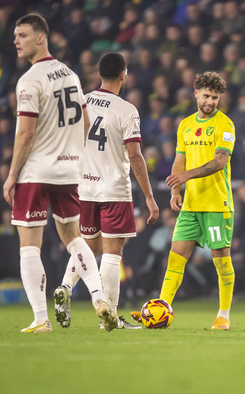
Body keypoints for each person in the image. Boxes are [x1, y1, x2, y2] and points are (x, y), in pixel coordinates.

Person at [2, 14, 117, 333]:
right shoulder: (70, 75)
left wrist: (12, 175)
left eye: (23, 35)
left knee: (29, 246)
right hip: (69, 171)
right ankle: (98, 296)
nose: (16, 41)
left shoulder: (29, 80)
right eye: (15, 35)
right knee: (74, 238)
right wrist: (79, 158)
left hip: (36, 171)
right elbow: (84, 119)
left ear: (41, 38)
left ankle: (41, 319)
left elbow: (25, 134)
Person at [53, 52, 159, 330]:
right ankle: (109, 317)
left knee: (89, 247)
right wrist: (148, 196)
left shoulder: (81, 102)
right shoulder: (126, 110)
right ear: (124, 75)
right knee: (113, 252)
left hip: (84, 188)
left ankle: (65, 286)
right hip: (113, 188)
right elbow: (135, 156)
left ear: (99, 74)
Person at [131, 71, 236, 330]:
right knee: (175, 258)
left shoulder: (225, 125)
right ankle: (159, 310)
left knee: (221, 259)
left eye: (215, 97)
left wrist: (186, 175)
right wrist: (176, 189)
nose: (211, 101)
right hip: (190, 205)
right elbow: (180, 158)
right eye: (207, 96)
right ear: (196, 94)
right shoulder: (186, 124)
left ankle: (223, 315)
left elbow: (220, 162)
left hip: (216, 204)